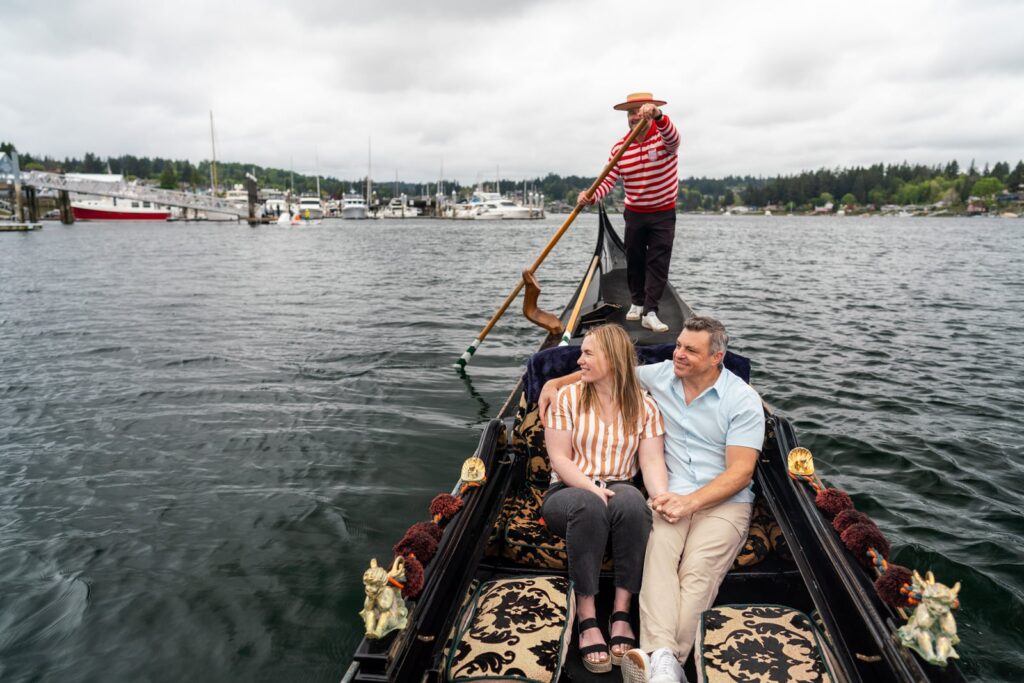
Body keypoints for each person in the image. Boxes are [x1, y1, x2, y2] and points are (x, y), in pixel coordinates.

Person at [541, 316, 765, 683]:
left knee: (696, 571)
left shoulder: (741, 400)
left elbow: (739, 473)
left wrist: (672, 500)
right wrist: (552, 380)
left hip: (722, 501)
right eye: (677, 345)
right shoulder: (662, 376)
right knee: (659, 558)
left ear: (716, 358)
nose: (678, 355)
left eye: (690, 350)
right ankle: (608, 628)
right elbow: (610, 374)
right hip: (661, 494)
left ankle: (664, 659)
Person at [541, 324, 669, 673]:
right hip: (566, 492)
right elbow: (560, 460)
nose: (578, 359)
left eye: (587, 353)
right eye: (581, 352)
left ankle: (621, 612)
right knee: (589, 503)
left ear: (612, 359)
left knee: (632, 503)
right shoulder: (566, 398)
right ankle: (586, 613)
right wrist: (591, 487)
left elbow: (652, 461)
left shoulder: (644, 407)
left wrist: (661, 498)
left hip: (620, 486)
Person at [578, 92, 681, 334]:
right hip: (635, 213)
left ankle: (651, 311)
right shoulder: (620, 148)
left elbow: (674, 140)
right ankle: (636, 302)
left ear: (650, 113)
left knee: (658, 262)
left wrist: (659, 115)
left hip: (663, 212)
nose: (635, 116)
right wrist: (592, 195)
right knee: (634, 260)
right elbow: (608, 179)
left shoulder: (663, 139)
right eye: (630, 113)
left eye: (639, 111)